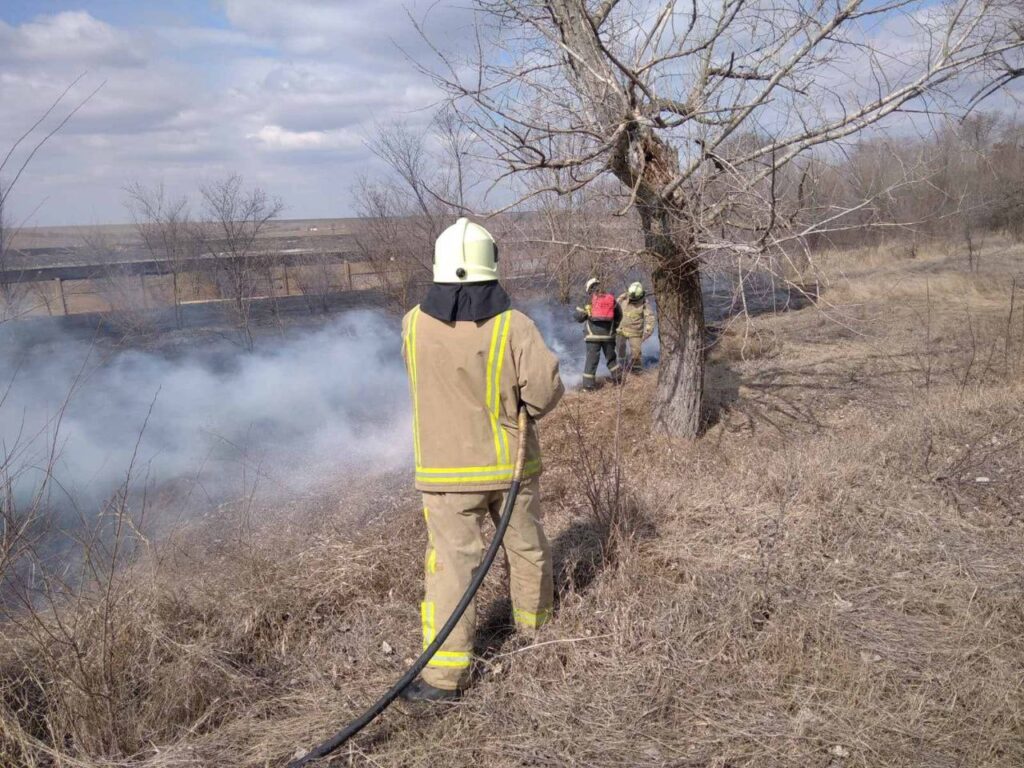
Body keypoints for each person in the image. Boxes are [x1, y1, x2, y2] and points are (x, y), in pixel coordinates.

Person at [399, 217, 565, 702]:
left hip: (445, 474)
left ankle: (444, 679)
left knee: (452, 568)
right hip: (511, 468)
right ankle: (536, 635)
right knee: (527, 548)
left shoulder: (413, 324)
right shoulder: (514, 325)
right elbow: (544, 392)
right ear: (490, 264)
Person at [574, 277, 622, 390]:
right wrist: (613, 327)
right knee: (611, 359)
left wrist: (583, 313)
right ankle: (618, 380)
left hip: (592, 336)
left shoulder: (587, 299)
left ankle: (588, 387)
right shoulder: (611, 298)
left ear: (589, 288)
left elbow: (579, 317)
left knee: (591, 361)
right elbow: (619, 315)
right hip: (609, 336)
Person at [616, 281, 655, 373]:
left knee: (636, 353)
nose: (632, 300)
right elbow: (614, 308)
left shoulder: (644, 303)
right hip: (621, 329)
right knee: (619, 349)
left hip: (635, 332)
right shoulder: (623, 298)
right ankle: (622, 366)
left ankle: (636, 371)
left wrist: (648, 331)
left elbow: (650, 318)